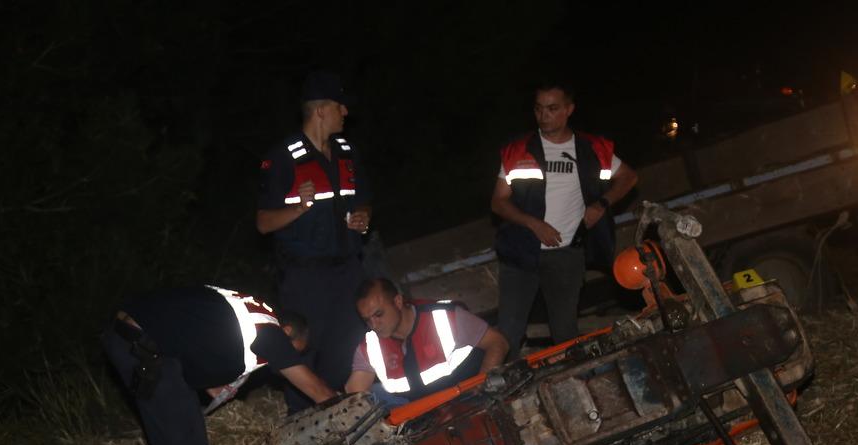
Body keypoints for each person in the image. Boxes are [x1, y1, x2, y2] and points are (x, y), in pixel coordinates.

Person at [102, 285, 335, 445]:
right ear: (288, 332)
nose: (282, 363)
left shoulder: (246, 311)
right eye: (294, 350)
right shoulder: (269, 330)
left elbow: (198, 342)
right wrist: (348, 406)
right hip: (142, 345)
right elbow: (317, 391)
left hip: (136, 339)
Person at [491, 81, 638, 356]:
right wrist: (534, 224)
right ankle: (507, 393)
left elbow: (629, 177)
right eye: (538, 109)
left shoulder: (592, 148)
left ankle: (575, 384)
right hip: (521, 253)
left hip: (566, 255)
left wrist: (601, 203)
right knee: (509, 331)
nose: (544, 115)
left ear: (569, 110)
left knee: (565, 332)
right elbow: (498, 202)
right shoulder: (518, 151)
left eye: (552, 108)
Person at [257, 70, 372, 410]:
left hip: (348, 271)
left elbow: (364, 196)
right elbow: (263, 223)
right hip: (304, 278)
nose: (346, 113)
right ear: (322, 110)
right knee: (303, 354)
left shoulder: (347, 152)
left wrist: (364, 215)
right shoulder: (281, 159)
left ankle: (349, 417)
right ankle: (303, 427)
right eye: (341, 106)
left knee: (352, 347)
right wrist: (299, 209)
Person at [344, 278, 510, 407]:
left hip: (467, 399)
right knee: (375, 395)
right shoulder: (371, 345)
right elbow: (353, 394)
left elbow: (498, 343)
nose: (374, 325)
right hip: (423, 416)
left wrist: (482, 390)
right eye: (367, 320)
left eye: (379, 314)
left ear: (398, 302)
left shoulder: (443, 317)